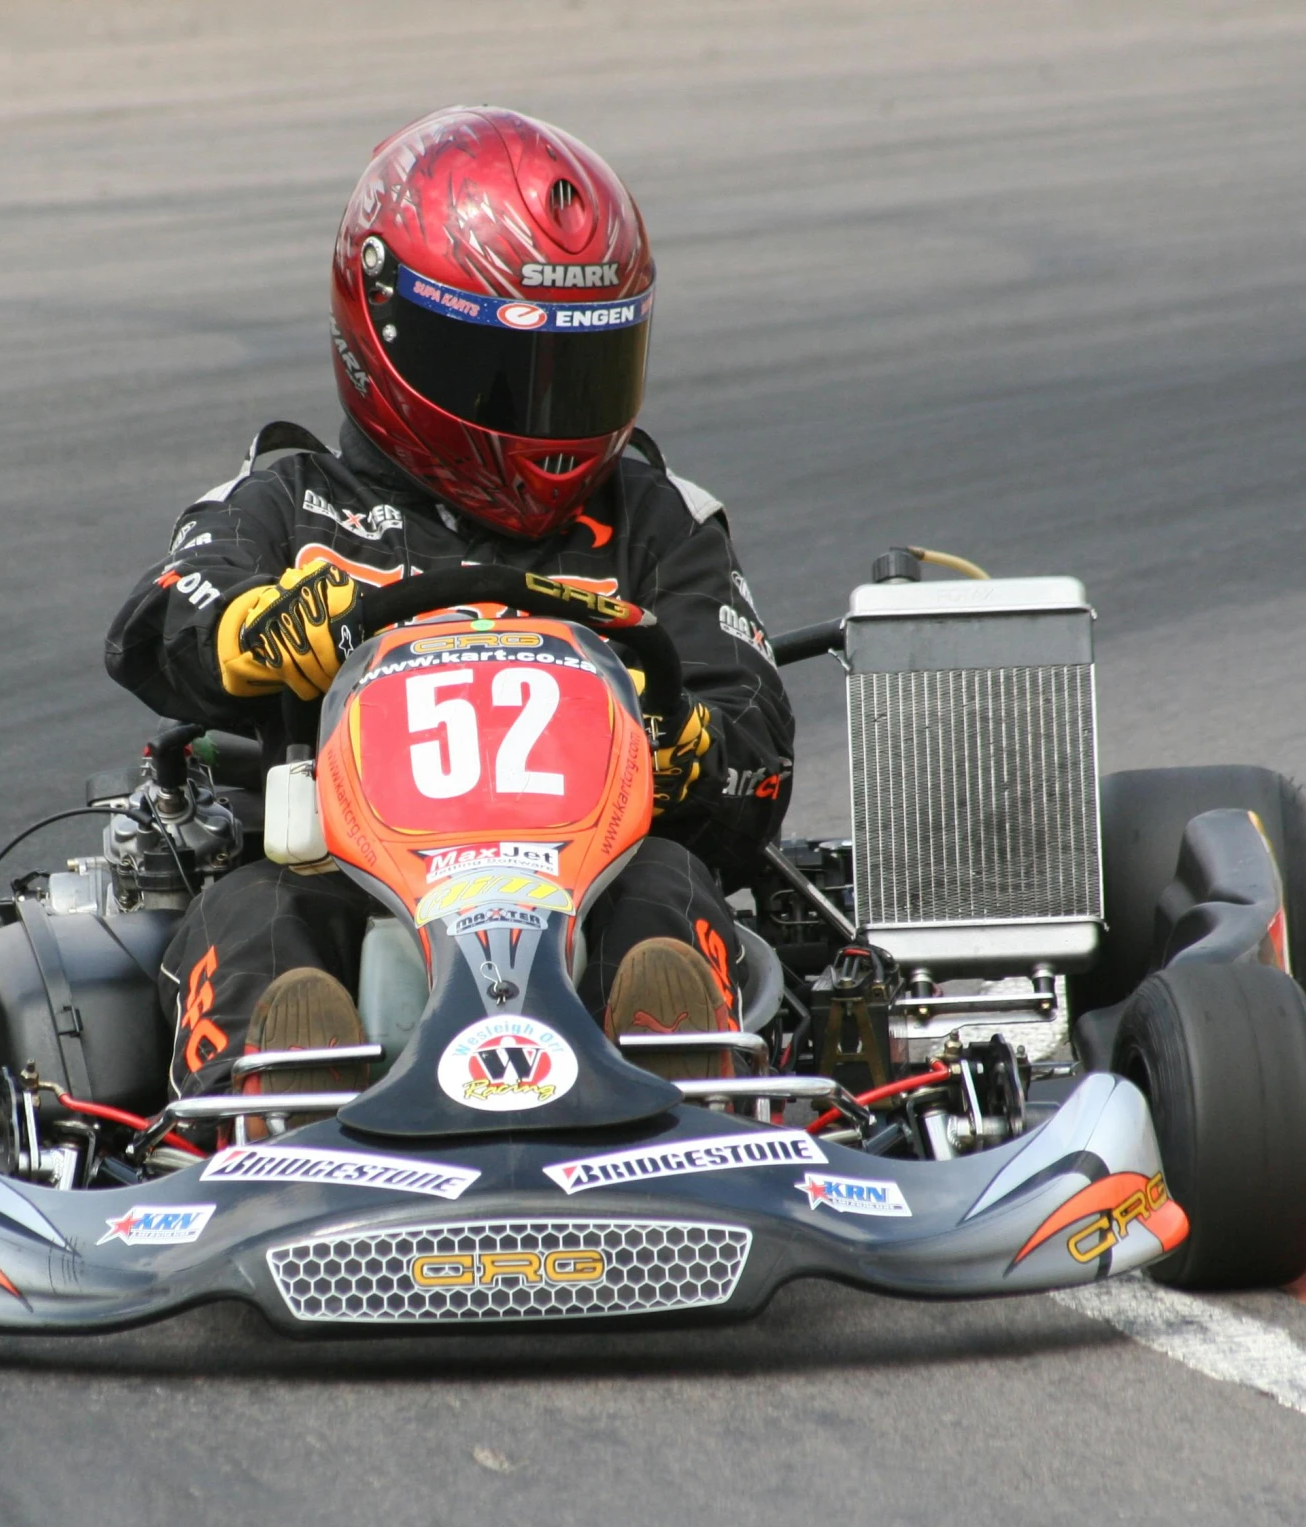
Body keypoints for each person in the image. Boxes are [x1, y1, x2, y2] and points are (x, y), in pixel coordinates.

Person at [105, 106, 795, 1096]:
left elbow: (756, 757)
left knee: (669, 890)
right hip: (339, 882)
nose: (552, 413)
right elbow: (158, 616)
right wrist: (254, 632)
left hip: (589, 884)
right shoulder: (293, 501)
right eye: (510, 377)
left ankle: (675, 1100)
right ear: (386, 336)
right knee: (256, 917)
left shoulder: (655, 520)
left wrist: (687, 743)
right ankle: (279, 1114)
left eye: (582, 370)